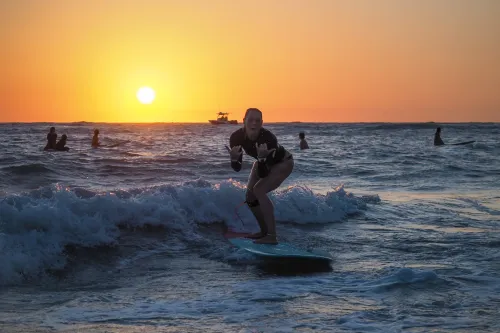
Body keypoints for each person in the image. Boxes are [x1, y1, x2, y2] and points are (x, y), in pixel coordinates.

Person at [228, 108, 294, 245]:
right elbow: (237, 168)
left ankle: (272, 235)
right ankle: (264, 232)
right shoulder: (236, 138)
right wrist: (234, 159)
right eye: (251, 120)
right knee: (250, 196)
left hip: (283, 163)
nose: (254, 123)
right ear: (244, 121)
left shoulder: (269, 139)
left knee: (259, 190)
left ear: (262, 123)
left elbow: (264, 173)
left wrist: (263, 159)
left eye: (258, 120)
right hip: (262, 162)